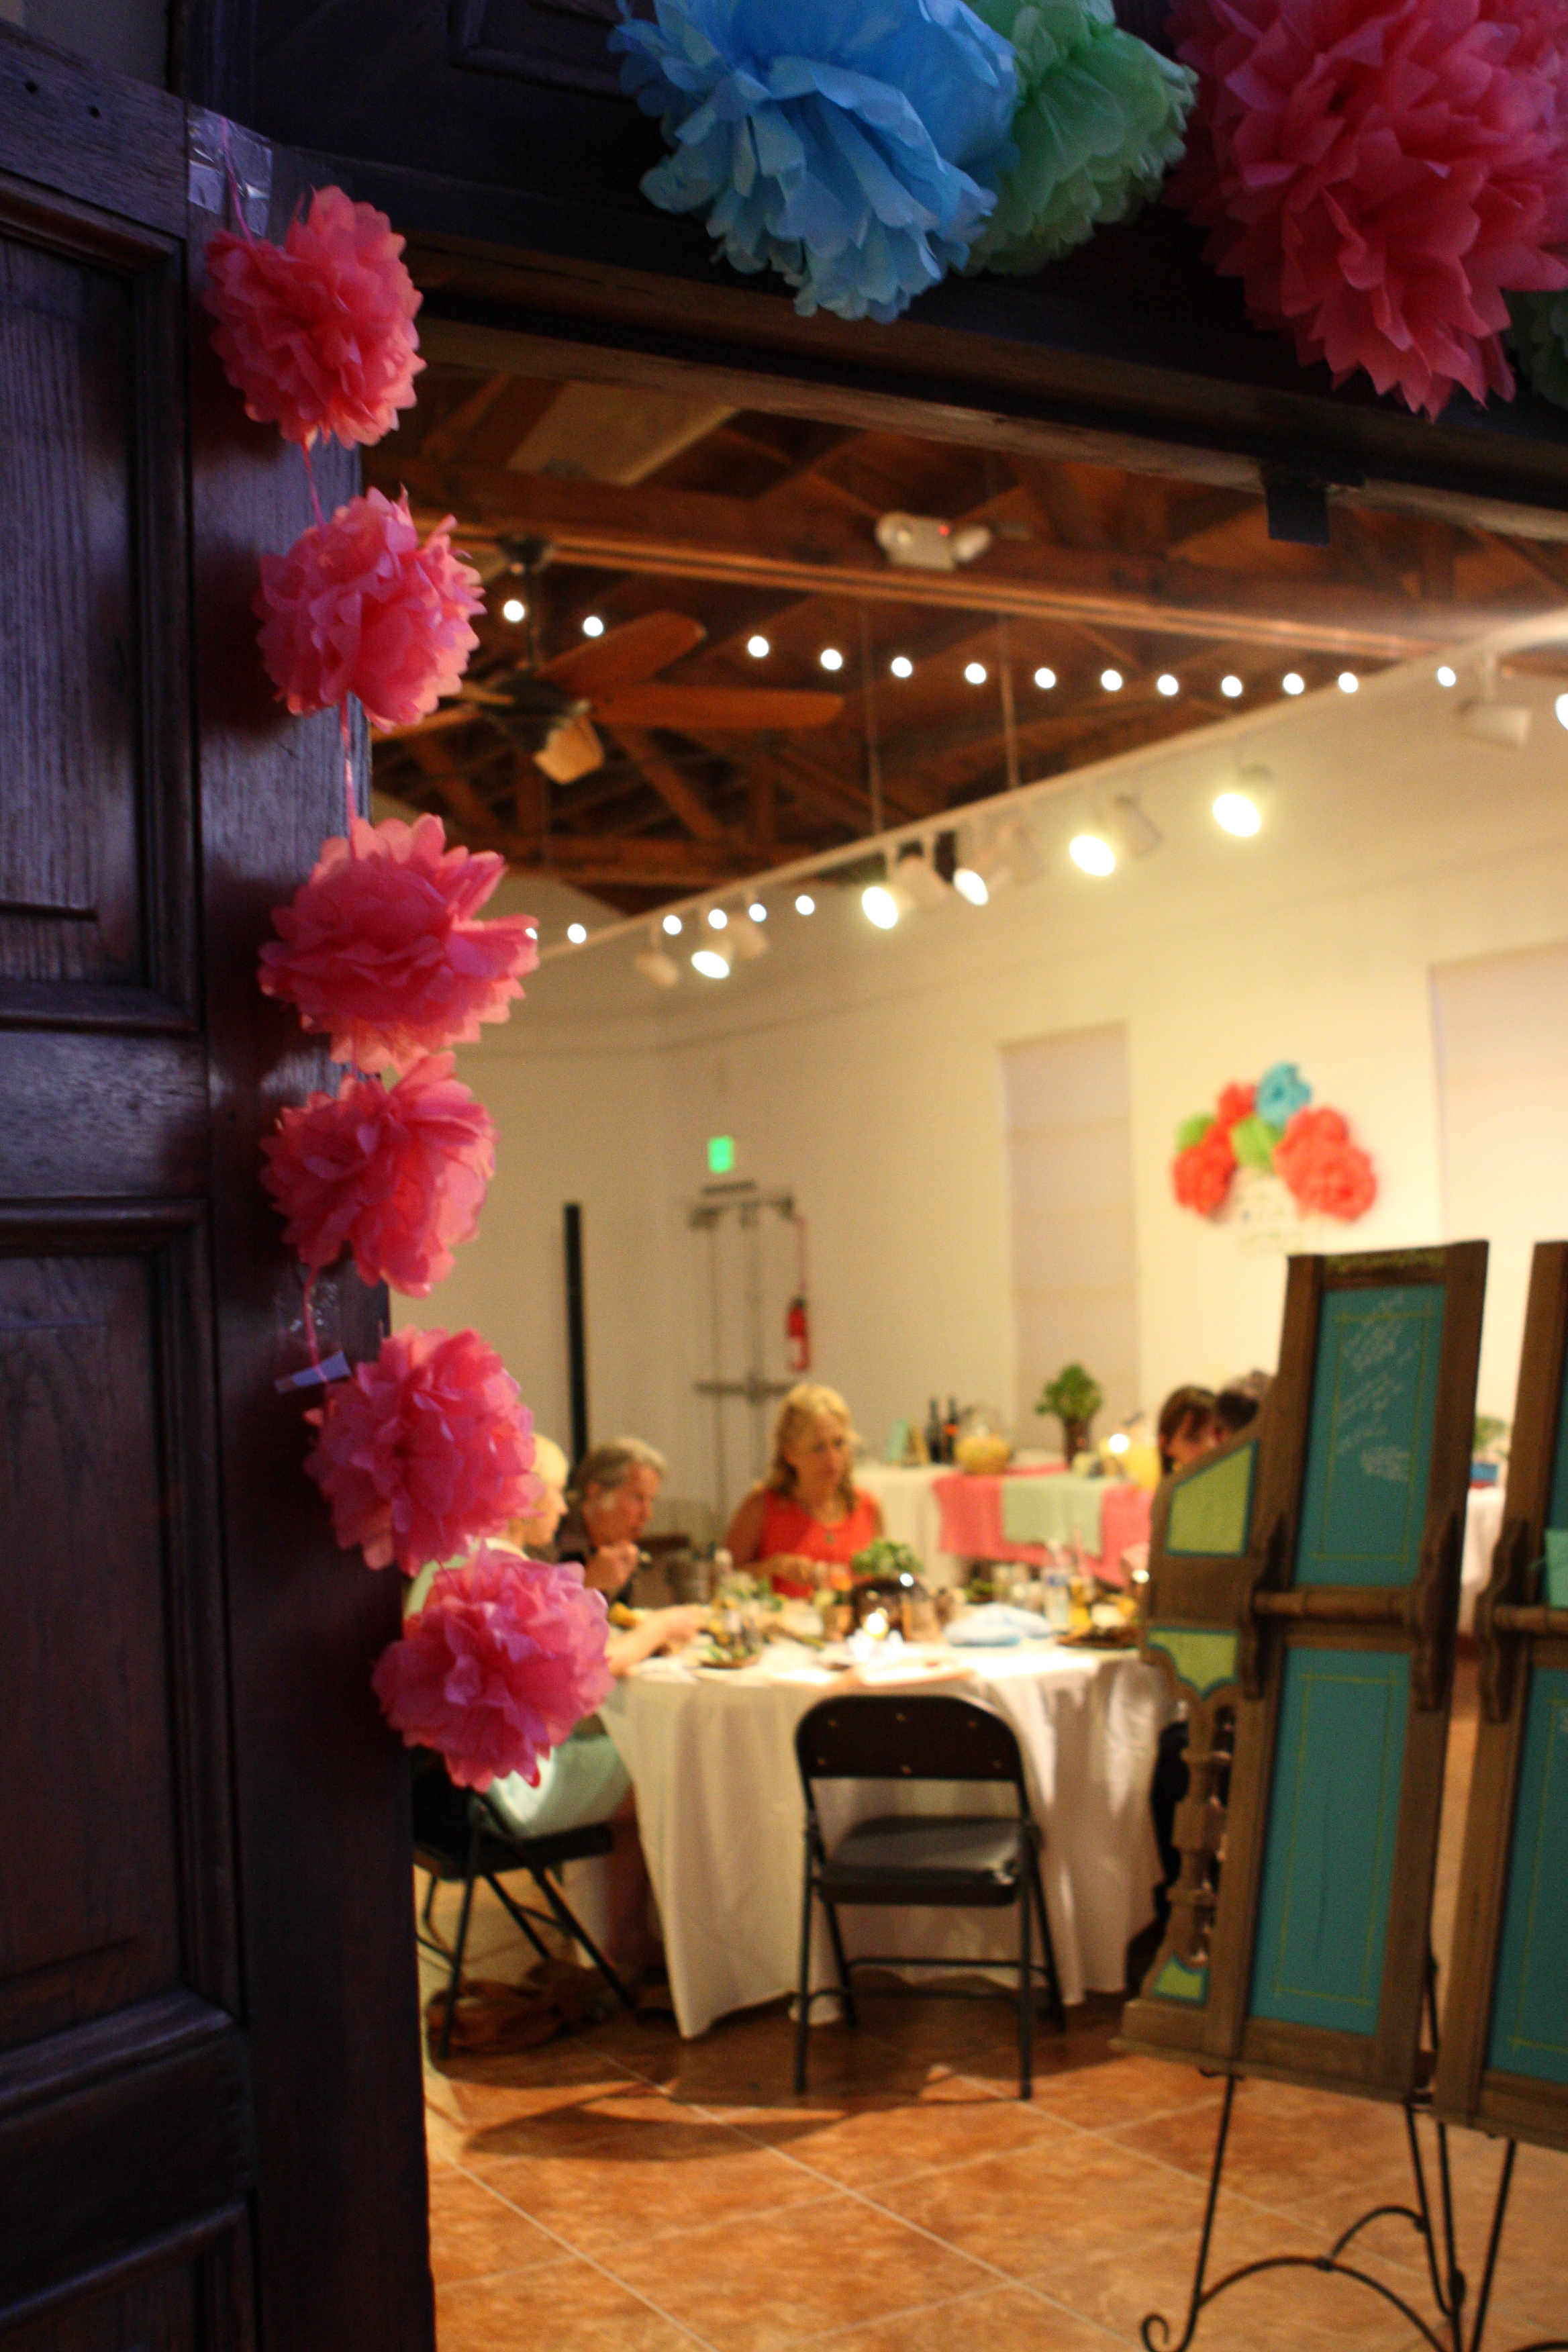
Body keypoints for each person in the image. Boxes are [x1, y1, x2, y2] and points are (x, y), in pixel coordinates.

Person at [442, 1434, 703, 1982]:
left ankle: (609, 1930)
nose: (565, 1507)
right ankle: (636, 1934)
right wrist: (664, 1625)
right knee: (654, 1766)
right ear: (523, 1495)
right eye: (558, 1492)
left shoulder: (467, 1557)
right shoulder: (510, 1571)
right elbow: (594, 1674)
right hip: (509, 1790)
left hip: (441, 1793)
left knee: (622, 1753)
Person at [724, 1381, 884, 1598]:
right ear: (790, 1453)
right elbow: (723, 1580)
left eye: (839, 1444)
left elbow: (883, 1582)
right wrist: (773, 1567)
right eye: (819, 1448)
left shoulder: (867, 1507)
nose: (833, 1459)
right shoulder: (762, 1507)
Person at [556, 1436, 667, 1603]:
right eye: (637, 1498)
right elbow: (527, 1621)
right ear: (595, 1493)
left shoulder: (622, 1548)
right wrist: (588, 1583)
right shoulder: (548, 1536)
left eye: (651, 1500)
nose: (647, 1514)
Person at [1157, 1384, 1220, 1478]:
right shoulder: (1172, 1492)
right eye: (1196, 1438)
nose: (1212, 1445)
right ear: (1165, 1445)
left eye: (1217, 1433)